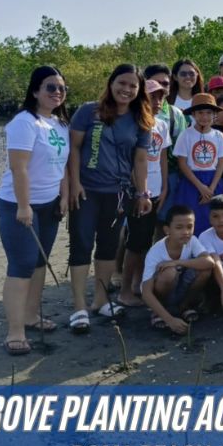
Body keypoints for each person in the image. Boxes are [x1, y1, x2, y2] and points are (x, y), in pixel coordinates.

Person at [68, 64, 153, 331]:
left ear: (139, 91)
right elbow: (74, 148)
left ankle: (101, 300)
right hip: (87, 192)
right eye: (122, 83)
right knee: (81, 245)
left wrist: (142, 192)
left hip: (118, 194)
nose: (126, 90)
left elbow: (140, 160)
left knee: (108, 247)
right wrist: (74, 184)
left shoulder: (141, 119)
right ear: (111, 82)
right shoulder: (88, 111)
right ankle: (79, 306)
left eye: (133, 86)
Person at [0, 66, 70, 355]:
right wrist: (24, 205)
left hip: (49, 204)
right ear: (35, 91)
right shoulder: (24, 122)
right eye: (50, 87)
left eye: (62, 88)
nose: (57, 93)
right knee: (22, 264)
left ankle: (30, 315)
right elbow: (19, 168)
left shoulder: (61, 124)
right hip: (18, 204)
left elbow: (62, 165)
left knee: (40, 261)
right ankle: (15, 331)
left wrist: (63, 196)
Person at [118, 79, 171, 307]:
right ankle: (124, 290)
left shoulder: (161, 124)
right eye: (153, 96)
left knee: (148, 239)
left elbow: (162, 157)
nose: (158, 101)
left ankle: (139, 283)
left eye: (161, 96)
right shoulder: (131, 124)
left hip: (158, 189)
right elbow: (130, 162)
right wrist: (142, 192)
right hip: (139, 193)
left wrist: (165, 186)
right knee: (136, 242)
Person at [141, 205, 223, 333]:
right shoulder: (155, 252)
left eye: (189, 227)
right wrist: (170, 320)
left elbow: (209, 262)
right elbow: (146, 293)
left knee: (204, 269)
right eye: (179, 227)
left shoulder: (192, 241)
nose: (186, 232)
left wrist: (176, 262)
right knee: (168, 273)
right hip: (163, 291)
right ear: (167, 230)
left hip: (181, 287)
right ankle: (160, 312)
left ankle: (184, 306)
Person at [173, 93, 223, 237]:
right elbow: (182, 163)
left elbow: (221, 164)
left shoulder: (218, 135)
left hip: (213, 181)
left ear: (214, 115)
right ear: (193, 114)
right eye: (200, 113)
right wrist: (200, 187)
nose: (204, 117)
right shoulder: (186, 135)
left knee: (214, 218)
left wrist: (211, 188)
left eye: (209, 113)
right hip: (192, 182)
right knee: (191, 219)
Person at [144, 64, 187, 223]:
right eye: (156, 82)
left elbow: (181, 149)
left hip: (168, 175)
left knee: (164, 220)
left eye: (165, 84)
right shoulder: (133, 113)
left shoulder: (175, 114)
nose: (160, 87)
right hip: (137, 177)